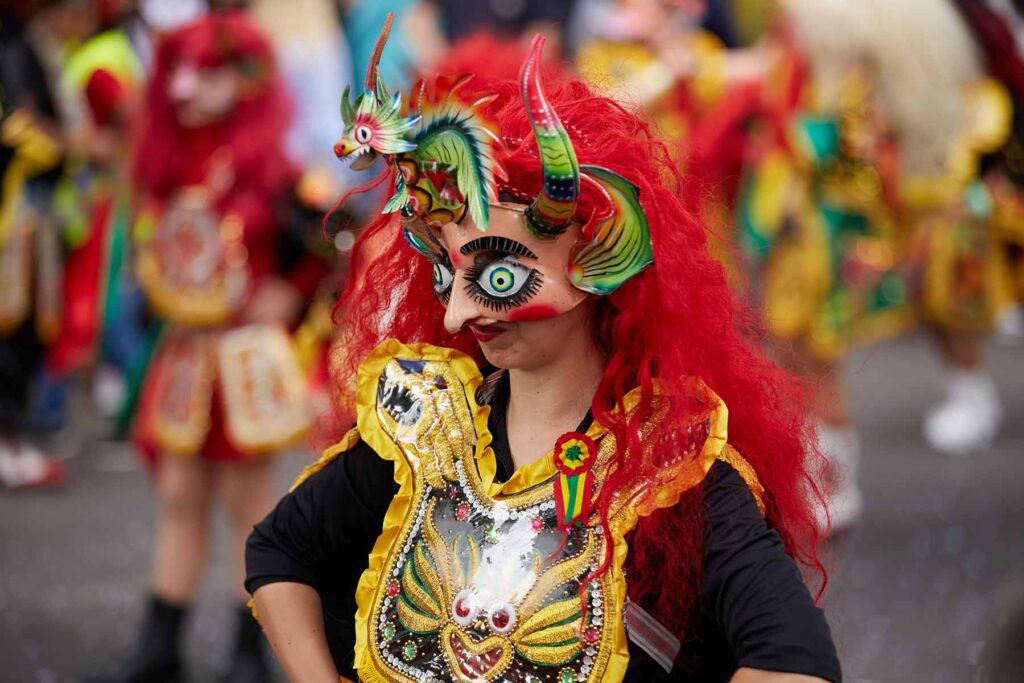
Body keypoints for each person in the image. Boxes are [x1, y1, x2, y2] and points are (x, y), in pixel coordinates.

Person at [245, 20, 840, 683]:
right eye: (447, 270)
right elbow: (279, 552)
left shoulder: (669, 466)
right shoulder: (425, 427)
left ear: (599, 262)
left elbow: (794, 662)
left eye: (499, 276)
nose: (457, 311)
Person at [83, 10, 313, 683]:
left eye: (204, 72)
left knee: (250, 509)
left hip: (244, 359)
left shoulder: (272, 166)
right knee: (180, 495)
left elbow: (325, 239)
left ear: (242, 79)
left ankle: (253, 653)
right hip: (187, 356)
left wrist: (290, 295)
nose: (186, 86)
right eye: (179, 71)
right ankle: (160, 648)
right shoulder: (167, 160)